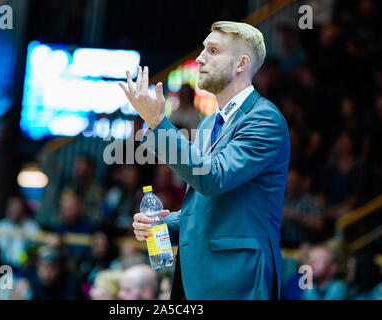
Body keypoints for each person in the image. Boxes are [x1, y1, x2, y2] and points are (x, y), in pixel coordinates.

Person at [121, 21, 290, 299]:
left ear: (241, 63)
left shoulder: (264, 119)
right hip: (197, 279)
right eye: (203, 49)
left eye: (213, 50)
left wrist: (157, 123)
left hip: (237, 279)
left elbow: (213, 178)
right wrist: (162, 227)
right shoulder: (208, 122)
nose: (200, 58)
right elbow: (203, 210)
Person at [0, 195, 41, 268]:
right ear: (7, 209)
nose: (15, 210)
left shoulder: (32, 227)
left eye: (18, 207)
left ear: (23, 209)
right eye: (12, 207)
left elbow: (36, 249)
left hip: (24, 267)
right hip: (0, 266)